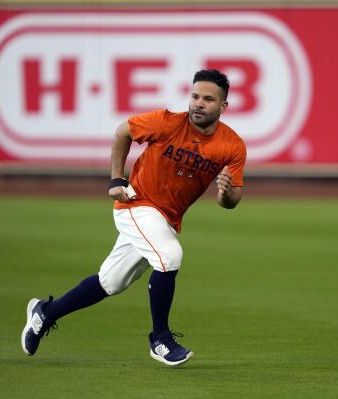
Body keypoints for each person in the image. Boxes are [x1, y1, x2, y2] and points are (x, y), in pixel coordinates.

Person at [21, 69, 247, 366]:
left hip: (165, 218)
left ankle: (45, 314)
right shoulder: (167, 122)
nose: (198, 103)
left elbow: (232, 201)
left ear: (223, 106)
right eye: (194, 96)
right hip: (136, 205)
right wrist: (116, 179)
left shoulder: (231, 145)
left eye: (208, 99)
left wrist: (224, 194)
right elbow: (123, 131)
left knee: (109, 283)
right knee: (169, 255)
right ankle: (161, 339)